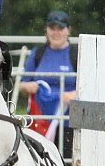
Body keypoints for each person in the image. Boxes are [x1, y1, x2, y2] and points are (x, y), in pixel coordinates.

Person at [18, 9, 77, 155]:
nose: (56, 32)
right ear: (47, 29)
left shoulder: (77, 54)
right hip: (40, 121)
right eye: (52, 28)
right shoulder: (37, 54)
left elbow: (89, 87)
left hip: (68, 122)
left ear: (68, 30)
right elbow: (22, 85)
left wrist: (75, 95)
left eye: (60, 28)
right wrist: (28, 87)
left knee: (67, 164)